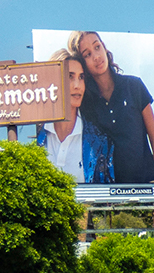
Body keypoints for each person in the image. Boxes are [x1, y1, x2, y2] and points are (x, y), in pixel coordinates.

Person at [69, 30, 154, 183]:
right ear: (83, 64)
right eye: (87, 54)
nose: (96, 56)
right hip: (107, 195)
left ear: (104, 47)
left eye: (97, 47)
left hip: (146, 187)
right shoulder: (85, 102)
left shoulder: (134, 86)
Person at [37, 48, 114, 183]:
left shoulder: (99, 141)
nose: (77, 85)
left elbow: (106, 197)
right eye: (69, 77)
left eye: (81, 77)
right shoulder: (37, 138)